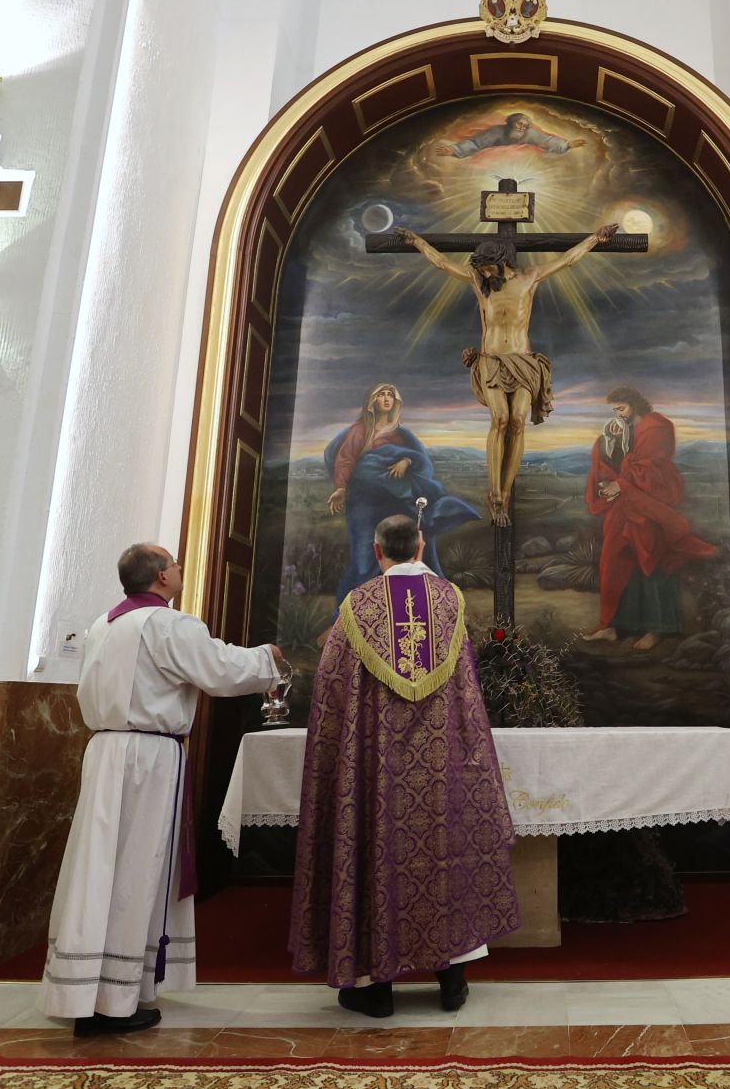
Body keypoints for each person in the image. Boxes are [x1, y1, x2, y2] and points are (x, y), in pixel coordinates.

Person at [41, 544, 284, 1035]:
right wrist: (268, 659)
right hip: (146, 762)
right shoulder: (169, 624)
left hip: (107, 753)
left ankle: (91, 987)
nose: (179, 568)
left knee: (98, 867)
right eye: (173, 563)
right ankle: (115, 1001)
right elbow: (217, 668)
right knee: (136, 868)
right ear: (159, 577)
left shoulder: (103, 624)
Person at [290, 515, 519, 1018]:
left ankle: (374, 989)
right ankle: (452, 980)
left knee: (376, 851)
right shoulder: (451, 602)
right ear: (420, 546)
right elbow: (466, 689)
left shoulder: (356, 607)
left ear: (377, 552)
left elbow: (331, 690)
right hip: (442, 766)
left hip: (373, 769)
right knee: (446, 852)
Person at [397, 219, 619, 525]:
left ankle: (507, 492)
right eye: (482, 268)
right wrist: (415, 241)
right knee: (500, 418)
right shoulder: (479, 283)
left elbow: (568, 259)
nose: (485, 272)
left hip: (523, 362)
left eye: (489, 267)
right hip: (491, 361)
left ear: (503, 262)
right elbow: (442, 263)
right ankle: (495, 494)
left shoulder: (530, 279)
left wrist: (596, 237)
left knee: (517, 422)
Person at [581, 386, 717, 650]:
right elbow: (624, 462)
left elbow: (653, 468)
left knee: (653, 561)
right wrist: (609, 446)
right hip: (626, 509)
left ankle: (658, 629)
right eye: (615, 410)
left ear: (634, 405)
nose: (618, 414)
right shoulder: (625, 430)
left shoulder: (657, 427)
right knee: (618, 563)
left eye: (621, 408)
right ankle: (614, 627)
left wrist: (622, 484)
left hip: (651, 507)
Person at [323, 382, 478, 608]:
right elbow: (346, 460)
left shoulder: (402, 434)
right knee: (365, 559)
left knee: (406, 552)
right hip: (365, 503)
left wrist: (406, 460)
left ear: (395, 402)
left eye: (390, 396)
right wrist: (340, 487)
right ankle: (351, 614)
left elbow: (422, 461)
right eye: (381, 395)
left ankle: (409, 607)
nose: (386, 399)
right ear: (371, 402)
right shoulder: (360, 431)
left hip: (395, 501)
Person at [437, 111, 586, 158]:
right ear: (511, 123)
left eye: (525, 126)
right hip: (492, 164)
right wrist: (454, 150)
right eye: (519, 124)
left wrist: (567, 144)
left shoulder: (530, 134)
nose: (522, 128)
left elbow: (547, 141)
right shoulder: (496, 132)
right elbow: (475, 143)